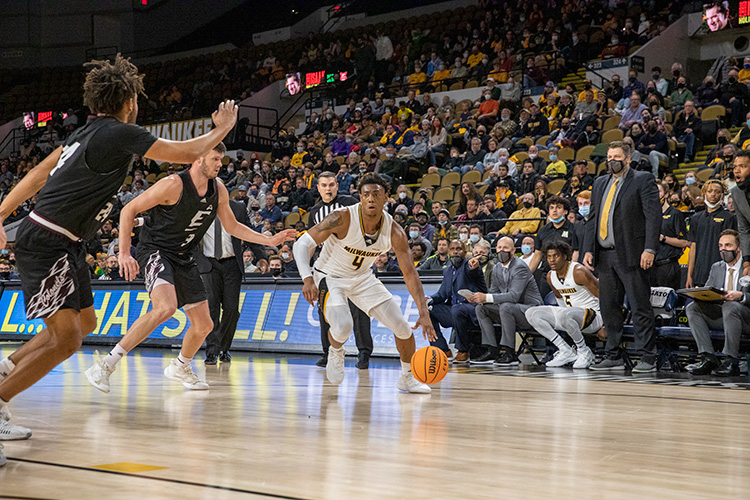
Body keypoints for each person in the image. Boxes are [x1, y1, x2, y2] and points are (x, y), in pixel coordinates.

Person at [0, 55, 237, 447]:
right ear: (129, 101)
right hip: (49, 240)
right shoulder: (117, 132)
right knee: (67, 340)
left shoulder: (83, 134)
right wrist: (222, 129)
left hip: (67, 242)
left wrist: (3, 211)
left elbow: (41, 171)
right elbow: (181, 153)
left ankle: (8, 366)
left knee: (86, 324)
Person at [84, 142, 296, 393]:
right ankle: (106, 365)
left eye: (221, 160)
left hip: (183, 256)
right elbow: (129, 209)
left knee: (204, 324)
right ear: (198, 159)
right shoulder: (173, 184)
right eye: (215, 159)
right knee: (166, 307)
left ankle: (181, 366)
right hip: (155, 250)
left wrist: (268, 240)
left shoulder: (218, 190)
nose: (220, 164)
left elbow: (232, 227)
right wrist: (125, 253)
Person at [294, 174, 436, 393]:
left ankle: (407, 377)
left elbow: (410, 273)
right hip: (330, 276)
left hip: (363, 278)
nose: (370, 199)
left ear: (386, 199)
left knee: (402, 326)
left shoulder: (395, 231)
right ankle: (335, 350)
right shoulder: (341, 218)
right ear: (360, 197)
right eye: (366, 194)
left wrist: (423, 312)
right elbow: (301, 245)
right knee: (342, 326)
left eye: (376, 195)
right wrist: (307, 278)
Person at [584, 141, 661, 372]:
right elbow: (593, 219)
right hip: (605, 256)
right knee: (609, 307)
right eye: (609, 156)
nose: (612, 160)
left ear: (627, 158)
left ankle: (647, 357)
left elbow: (653, 216)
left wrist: (650, 248)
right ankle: (613, 354)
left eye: (616, 156)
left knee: (639, 306)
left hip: (632, 254)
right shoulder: (599, 183)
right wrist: (589, 248)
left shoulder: (642, 179)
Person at [307, 172, 373, 369]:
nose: (328, 189)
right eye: (324, 185)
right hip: (327, 267)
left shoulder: (350, 203)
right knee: (326, 311)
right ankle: (328, 352)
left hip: (352, 264)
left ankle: (364, 353)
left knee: (359, 309)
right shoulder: (315, 212)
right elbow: (311, 241)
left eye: (331, 185)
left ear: (337, 186)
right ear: (318, 188)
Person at [197, 199, 264, 365]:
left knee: (232, 309)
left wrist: (261, 256)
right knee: (211, 308)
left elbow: (248, 232)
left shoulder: (238, 208)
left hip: (232, 263)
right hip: (208, 263)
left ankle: (224, 347)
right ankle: (212, 351)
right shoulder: (198, 207)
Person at [524, 241, 602, 369]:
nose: (552, 260)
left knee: (566, 313)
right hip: (570, 318)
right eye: (549, 256)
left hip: (593, 317)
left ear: (565, 256)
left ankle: (583, 350)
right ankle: (565, 350)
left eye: (556, 256)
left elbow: (602, 297)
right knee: (532, 313)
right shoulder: (550, 276)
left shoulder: (579, 272)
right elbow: (561, 302)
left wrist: (605, 324)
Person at [469, 236, 543, 365]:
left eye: (505, 248)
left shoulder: (520, 267)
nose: (502, 250)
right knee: (481, 308)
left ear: (513, 251)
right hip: (511, 310)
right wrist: (480, 299)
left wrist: (486, 297)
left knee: (506, 306)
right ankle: (491, 350)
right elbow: (494, 292)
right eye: (499, 247)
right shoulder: (497, 268)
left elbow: (514, 296)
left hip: (531, 311)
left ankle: (510, 353)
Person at [686, 229, 749, 376]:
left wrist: (741, 296)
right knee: (693, 308)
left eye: (728, 245)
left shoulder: (748, 268)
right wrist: (701, 294)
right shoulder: (716, 267)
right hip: (723, 315)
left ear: (738, 247)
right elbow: (710, 292)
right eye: (720, 246)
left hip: (745, 316)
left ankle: (731, 360)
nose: (723, 249)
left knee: (731, 306)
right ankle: (708, 357)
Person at [426, 240, 487, 362]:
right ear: (448, 252)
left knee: (457, 309)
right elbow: (442, 294)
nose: (455, 252)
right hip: (455, 311)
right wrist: (429, 299)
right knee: (428, 310)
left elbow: (473, 270)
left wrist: (473, 266)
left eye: (458, 249)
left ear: (465, 252)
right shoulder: (447, 270)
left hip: (474, 310)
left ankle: (463, 351)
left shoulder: (469, 265)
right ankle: (442, 349)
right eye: (452, 249)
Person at [686, 180, 736, 287]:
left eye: (717, 191)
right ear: (704, 194)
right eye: (710, 191)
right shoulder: (696, 218)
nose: (713, 194)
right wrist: (689, 275)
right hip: (699, 273)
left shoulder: (730, 218)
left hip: (720, 271)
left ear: (722, 195)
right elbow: (693, 247)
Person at [653, 182, 688, 290]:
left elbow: (685, 242)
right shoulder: (649, 215)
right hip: (651, 265)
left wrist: (663, 238)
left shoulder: (675, 214)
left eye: (658, 191)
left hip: (668, 264)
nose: (655, 194)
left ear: (666, 194)